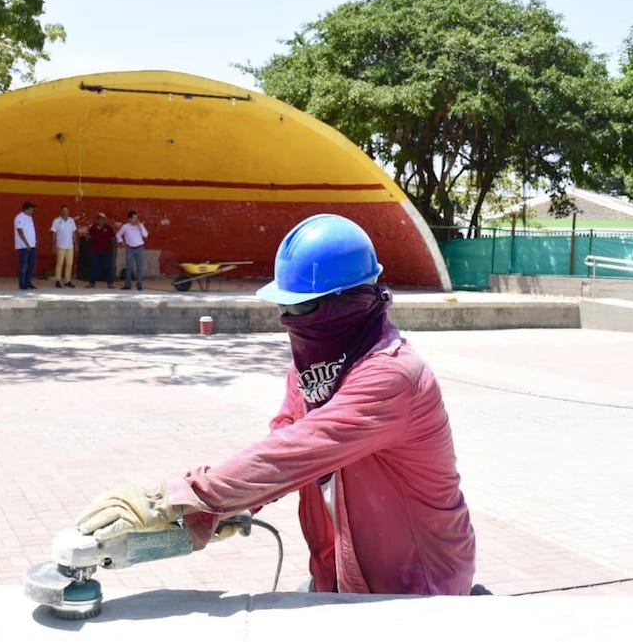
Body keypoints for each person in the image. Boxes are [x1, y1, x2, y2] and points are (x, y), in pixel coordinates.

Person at [77, 214, 477, 595]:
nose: (288, 318)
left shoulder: (391, 376)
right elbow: (286, 441)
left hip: (417, 587)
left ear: (344, 303)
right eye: (283, 307)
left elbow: (300, 451)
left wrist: (174, 497)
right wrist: (227, 505)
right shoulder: (315, 368)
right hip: (340, 574)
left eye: (299, 307)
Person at [115, 210, 148, 290]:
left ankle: (139, 284)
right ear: (129, 219)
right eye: (134, 218)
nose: (136, 219)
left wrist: (140, 225)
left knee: (139, 267)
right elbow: (118, 235)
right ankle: (127, 284)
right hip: (130, 248)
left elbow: (145, 235)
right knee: (129, 267)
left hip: (140, 247)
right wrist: (121, 242)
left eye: (137, 217)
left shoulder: (140, 226)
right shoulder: (125, 227)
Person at [85, 212, 115, 288]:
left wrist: (114, 245)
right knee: (94, 267)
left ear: (104, 220)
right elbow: (88, 235)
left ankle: (110, 283)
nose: (100, 221)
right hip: (96, 251)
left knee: (107, 267)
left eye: (102, 219)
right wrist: (87, 237)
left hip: (106, 251)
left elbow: (113, 238)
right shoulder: (93, 227)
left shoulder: (108, 228)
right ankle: (91, 283)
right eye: (98, 219)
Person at [51, 205, 78, 288]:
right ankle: (58, 280)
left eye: (66, 210)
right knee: (59, 263)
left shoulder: (71, 221)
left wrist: (75, 244)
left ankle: (67, 280)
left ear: (68, 211)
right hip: (60, 245)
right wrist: (54, 245)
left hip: (70, 245)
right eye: (63, 210)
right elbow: (54, 234)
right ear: (61, 211)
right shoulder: (56, 221)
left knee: (69, 264)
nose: (65, 212)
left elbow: (74, 233)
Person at [15, 201, 38, 290]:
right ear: (26, 209)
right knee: (23, 265)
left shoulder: (30, 217)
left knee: (32, 264)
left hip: (32, 245)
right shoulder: (19, 217)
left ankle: (28, 282)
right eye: (31, 209)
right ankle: (22, 283)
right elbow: (20, 231)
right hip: (23, 246)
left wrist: (33, 242)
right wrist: (26, 243)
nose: (32, 210)